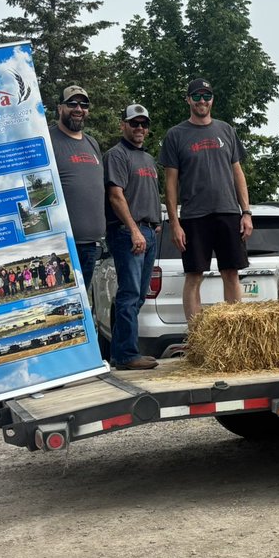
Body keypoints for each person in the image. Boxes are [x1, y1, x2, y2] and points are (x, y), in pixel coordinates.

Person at [160, 78, 254, 323]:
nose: (202, 101)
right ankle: (196, 336)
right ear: (188, 100)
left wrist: (246, 212)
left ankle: (235, 331)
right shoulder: (175, 135)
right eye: (197, 96)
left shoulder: (226, 130)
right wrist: (175, 223)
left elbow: (238, 173)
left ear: (212, 99)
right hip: (193, 216)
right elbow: (170, 183)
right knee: (194, 276)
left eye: (206, 96)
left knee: (231, 273)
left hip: (227, 212)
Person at [104, 103, 162, 370]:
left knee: (138, 295)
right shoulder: (116, 155)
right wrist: (135, 230)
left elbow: (147, 193)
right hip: (129, 232)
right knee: (129, 294)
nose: (139, 128)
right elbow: (116, 196)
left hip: (148, 231)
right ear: (122, 125)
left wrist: (155, 224)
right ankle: (127, 355)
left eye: (143, 124)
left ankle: (121, 353)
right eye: (134, 123)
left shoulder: (148, 159)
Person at [49, 85, 105, 289]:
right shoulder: (48, 140)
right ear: (59, 108)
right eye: (72, 103)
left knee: (82, 310)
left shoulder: (92, 143)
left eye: (84, 104)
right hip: (61, 246)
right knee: (63, 307)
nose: (78, 108)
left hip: (90, 245)